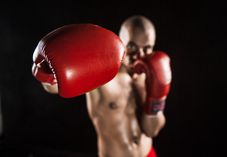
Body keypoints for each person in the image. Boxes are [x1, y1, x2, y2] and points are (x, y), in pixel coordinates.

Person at [32, 16, 172, 157]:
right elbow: (53, 87)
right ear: (120, 41)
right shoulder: (103, 72)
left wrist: (157, 98)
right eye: (132, 47)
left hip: (148, 154)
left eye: (147, 48)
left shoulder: (153, 73)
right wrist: (47, 74)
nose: (139, 56)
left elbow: (151, 131)